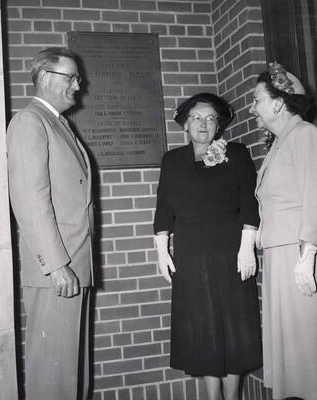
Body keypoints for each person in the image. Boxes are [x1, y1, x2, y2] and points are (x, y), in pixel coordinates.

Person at [154, 93, 262, 400]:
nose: (204, 123)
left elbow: (249, 205)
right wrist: (163, 251)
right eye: (197, 118)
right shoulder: (172, 160)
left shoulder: (237, 154)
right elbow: (163, 209)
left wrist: (246, 247)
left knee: (233, 327)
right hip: (190, 256)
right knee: (204, 329)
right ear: (185, 125)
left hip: (231, 254)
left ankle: (233, 397)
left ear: (219, 125)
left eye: (211, 118)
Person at [7, 47, 94, 400]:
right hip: (58, 271)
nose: (78, 84)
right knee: (53, 379)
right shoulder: (30, 121)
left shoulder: (60, 123)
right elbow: (30, 200)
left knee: (73, 374)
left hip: (75, 264)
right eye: (71, 77)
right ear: (45, 78)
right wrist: (57, 265)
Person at [250, 61, 317, 400]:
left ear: (278, 103)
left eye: (257, 100)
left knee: (305, 348)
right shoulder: (279, 142)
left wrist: (308, 256)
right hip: (279, 253)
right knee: (290, 346)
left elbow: (314, 195)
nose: (252, 107)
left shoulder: (305, 135)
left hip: (297, 253)